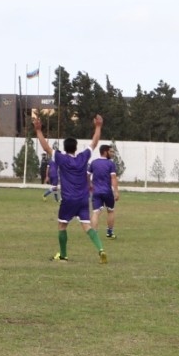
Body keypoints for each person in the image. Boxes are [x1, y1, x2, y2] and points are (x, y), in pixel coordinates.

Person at [33, 112, 107, 263]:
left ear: (65, 148)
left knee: (62, 225)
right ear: (76, 148)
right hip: (83, 199)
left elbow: (46, 147)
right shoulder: (82, 157)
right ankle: (101, 249)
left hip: (68, 199)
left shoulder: (61, 158)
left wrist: (39, 130)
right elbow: (94, 143)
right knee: (86, 226)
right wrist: (98, 127)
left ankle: (64, 255)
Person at [89, 143, 119, 239]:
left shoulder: (93, 163)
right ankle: (109, 233)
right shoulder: (110, 164)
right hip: (107, 192)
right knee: (110, 211)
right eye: (111, 151)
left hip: (96, 192)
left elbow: (87, 175)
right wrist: (116, 191)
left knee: (96, 212)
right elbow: (113, 178)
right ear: (105, 152)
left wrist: (89, 185)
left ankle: (94, 234)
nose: (112, 153)